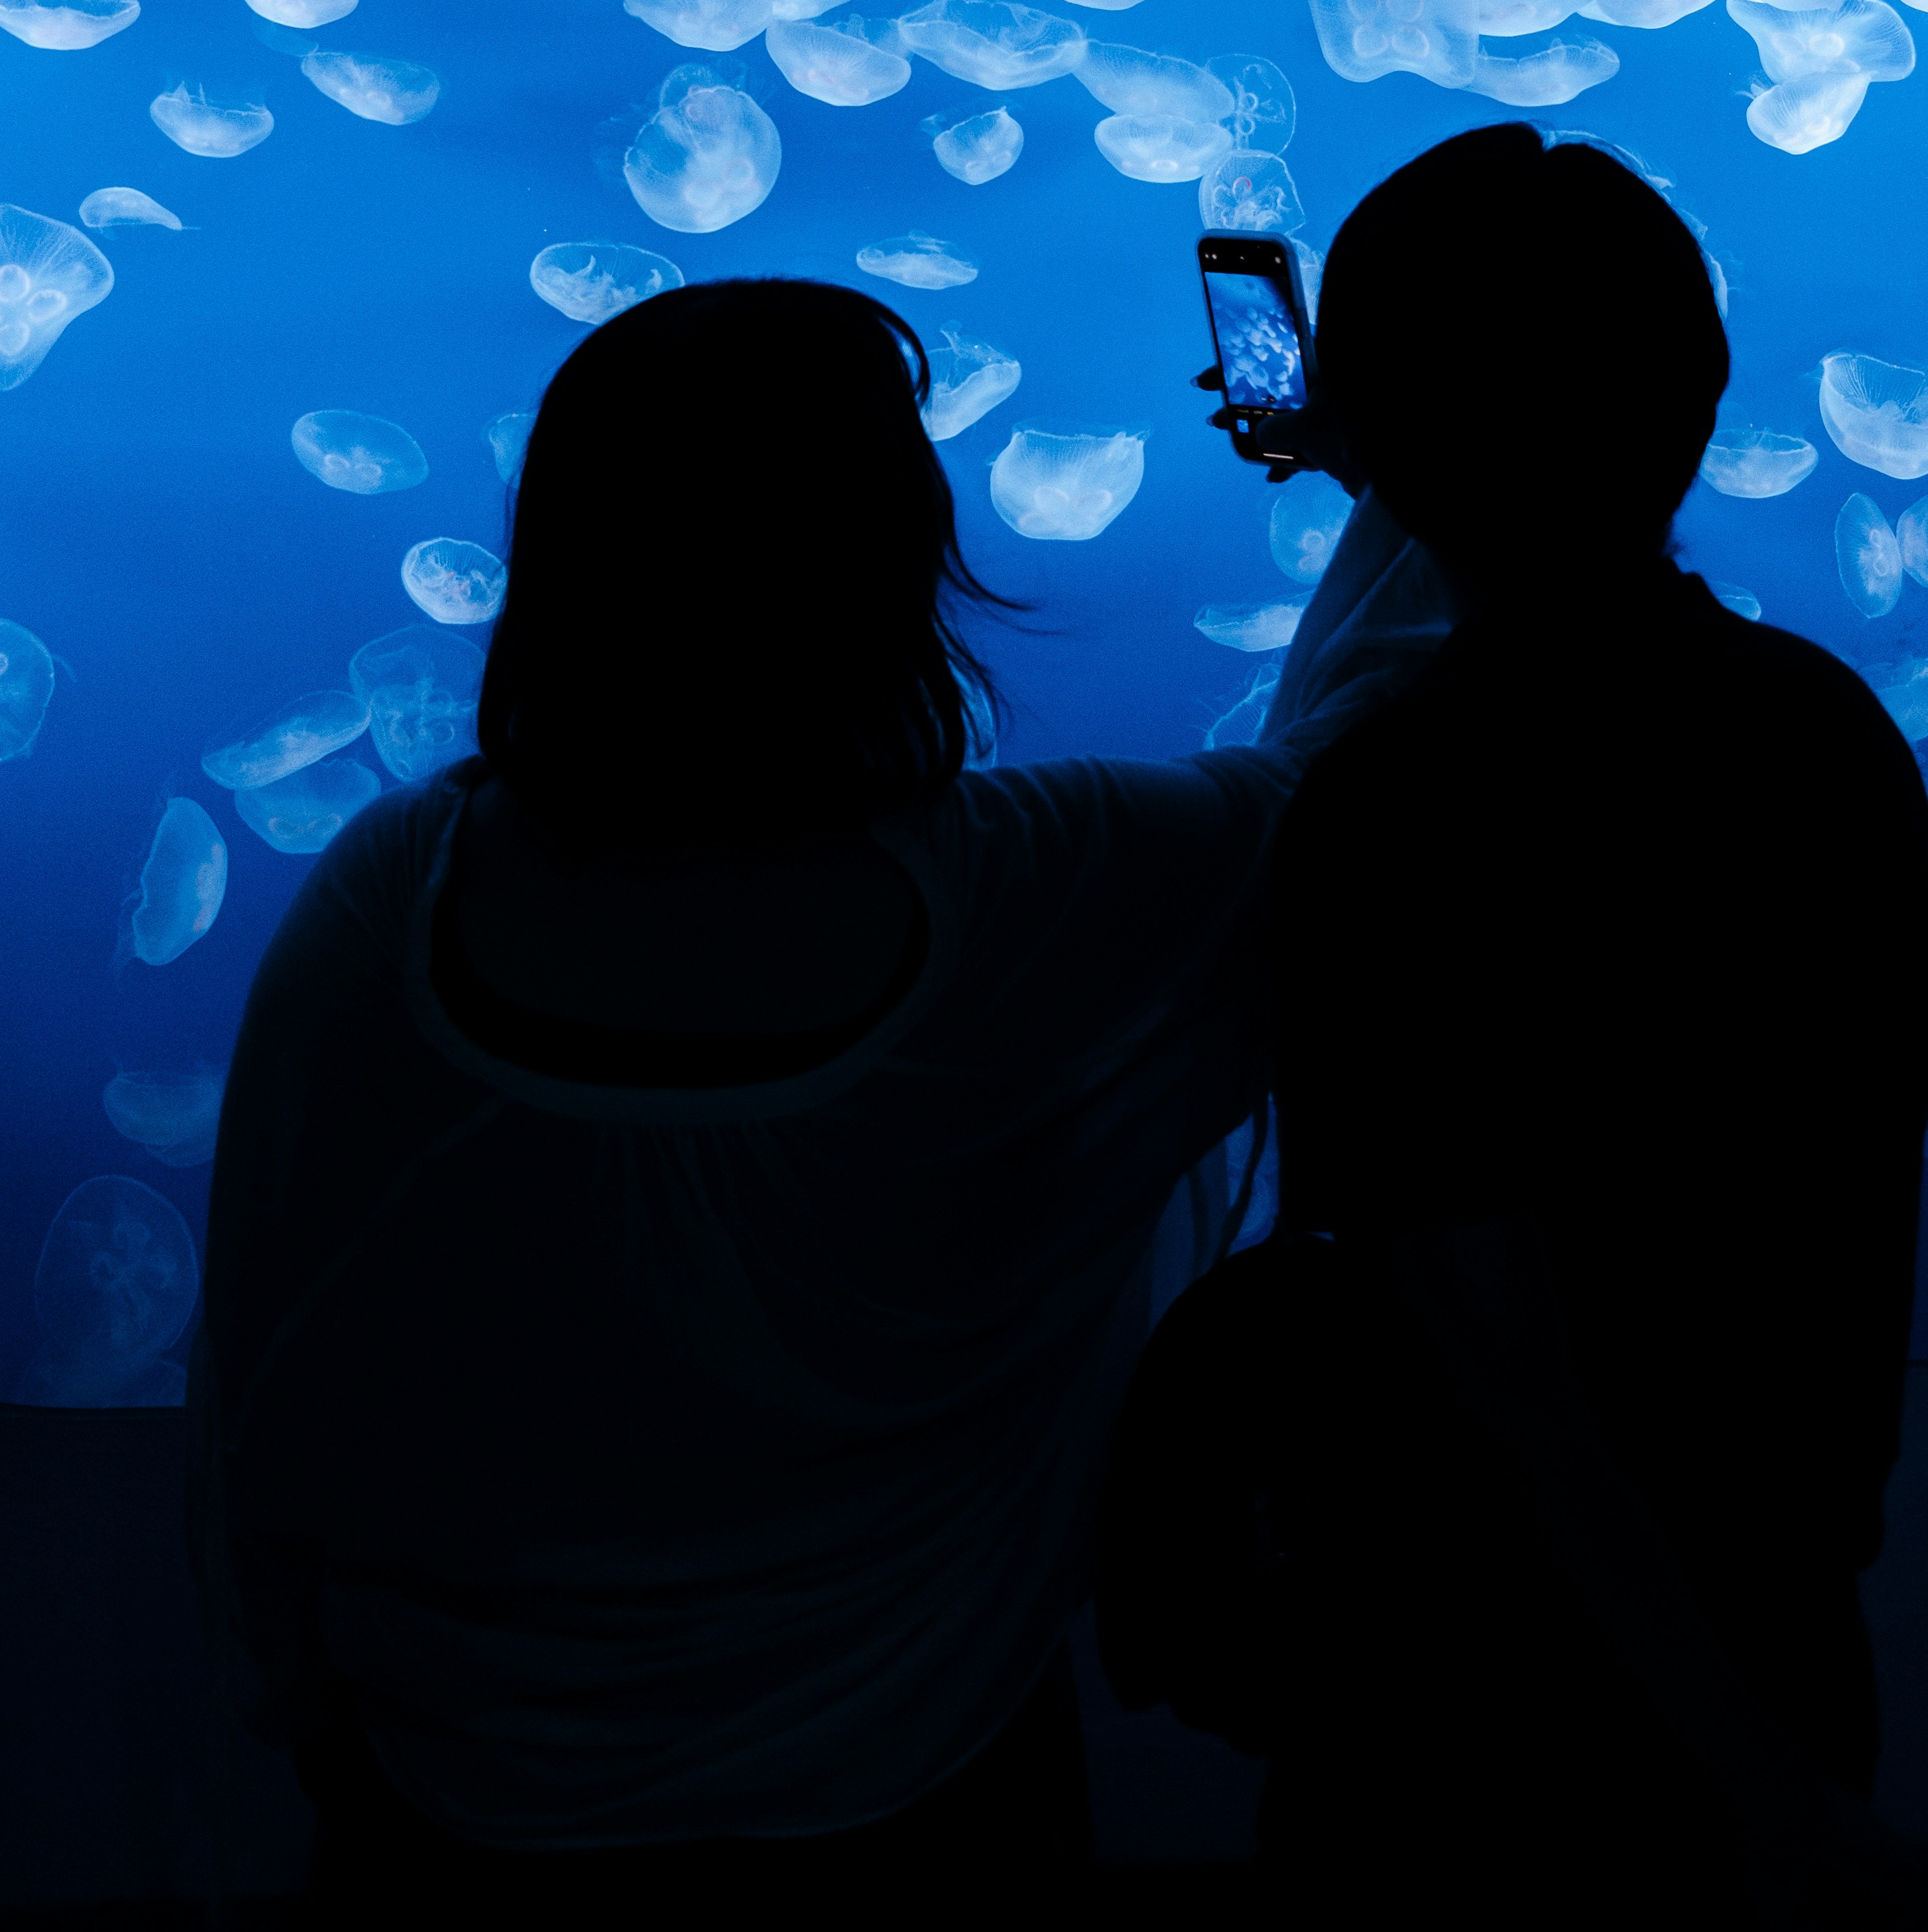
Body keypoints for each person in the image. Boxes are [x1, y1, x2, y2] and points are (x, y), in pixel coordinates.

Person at [188, 275, 1445, 1920]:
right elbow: (1378, 772)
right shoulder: (1037, 894)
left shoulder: (392, 902)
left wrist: (293, 1714)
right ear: (894, 556)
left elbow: (265, 1383)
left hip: (470, 1818)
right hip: (919, 1806)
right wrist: (1389, 471)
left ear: (568, 551)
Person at [1257, 125, 1928, 1909]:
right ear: (1704, 394)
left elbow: (1497, 1356)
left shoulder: (1389, 810)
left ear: (1383, 445)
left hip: (1480, 1676)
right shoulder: (1826, 733)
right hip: (1779, 1589)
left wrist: (1746, 1776)